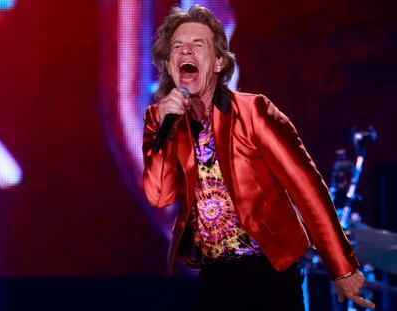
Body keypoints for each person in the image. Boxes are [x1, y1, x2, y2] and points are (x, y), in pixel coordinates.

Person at [142, 5, 375, 311]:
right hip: (213, 273)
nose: (186, 51)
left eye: (198, 45)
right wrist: (166, 131)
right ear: (170, 64)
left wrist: (342, 267)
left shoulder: (253, 112)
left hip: (268, 270)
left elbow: (308, 188)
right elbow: (160, 196)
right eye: (178, 47)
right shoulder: (159, 120)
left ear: (219, 62)